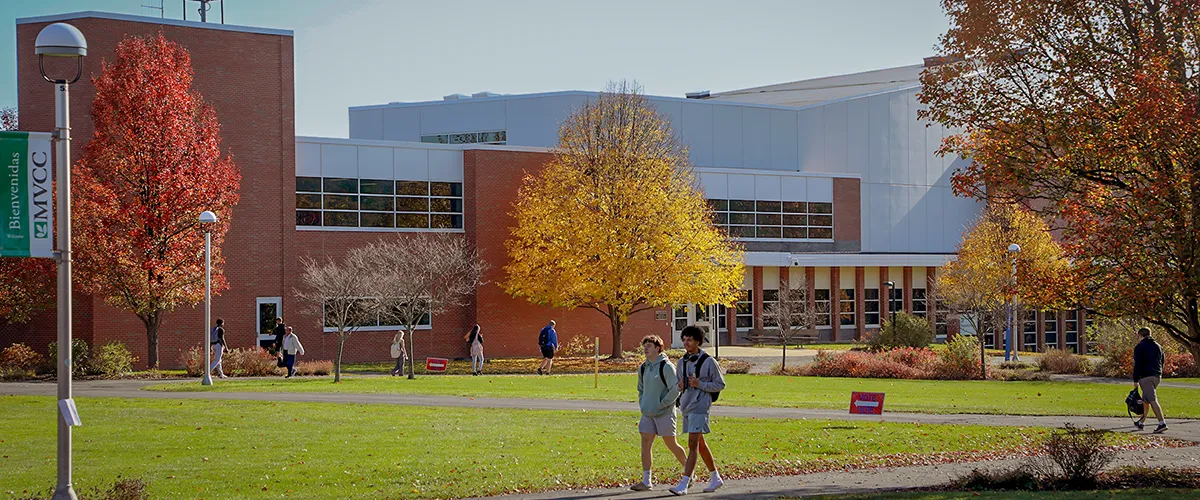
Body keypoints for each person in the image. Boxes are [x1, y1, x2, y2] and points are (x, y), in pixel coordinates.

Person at [670, 326, 725, 495]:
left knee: (692, 444)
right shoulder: (682, 362)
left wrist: (700, 384)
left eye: (690, 339)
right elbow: (678, 385)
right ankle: (715, 477)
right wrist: (680, 386)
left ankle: (685, 483)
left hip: (700, 407)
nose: (686, 343)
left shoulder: (708, 361)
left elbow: (720, 384)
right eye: (684, 339)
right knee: (700, 444)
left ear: (698, 341)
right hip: (686, 406)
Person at [629, 334, 686, 492]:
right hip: (647, 413)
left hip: (665, 413)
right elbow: (641, 389)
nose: (646, 348)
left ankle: (689, 474)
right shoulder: (643, 367)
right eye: (644, 345)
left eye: (649, 345)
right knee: (645, 444)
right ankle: (646, 481)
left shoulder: (666, 367)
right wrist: (643, 403)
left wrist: (662, 404)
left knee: (671, 444)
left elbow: (675, 389)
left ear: (658, 348)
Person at [1133, 326, 1167, 433]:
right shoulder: (1158, 346)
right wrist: (1159, 372)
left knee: (1152, 399)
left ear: (1140, 335)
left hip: (1145, 376)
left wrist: (1135, 379)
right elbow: (1162, 360)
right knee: (1146, 400)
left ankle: (1162, 423)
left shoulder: (1140, 346)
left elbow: (1138, 364)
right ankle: (1141, 422)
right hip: (1157, 375)